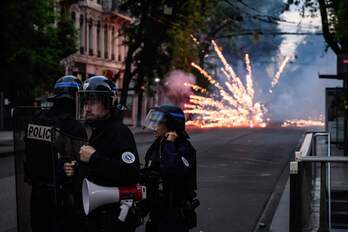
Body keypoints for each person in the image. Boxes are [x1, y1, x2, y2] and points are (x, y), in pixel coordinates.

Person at [64, 75, 140, 232]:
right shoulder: (97, 131)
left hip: (113, 219)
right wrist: (76, 170)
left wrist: (93, 158)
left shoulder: (119, 132)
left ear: (108, 103)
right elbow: (98, 171)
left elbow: (130, 173)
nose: (87, 108)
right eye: (85, 102)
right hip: (96, 218)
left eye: (93, 102)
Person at [24, 75, 86, 232]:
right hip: (61, 197)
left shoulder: (36, 119)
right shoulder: (73, 126)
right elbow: (80, 164)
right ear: (76, 99)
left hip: (37, 194)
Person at [142, 105, 198, 232]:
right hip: (156, 210)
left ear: (172, 126)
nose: (154, 127)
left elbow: (171, 168)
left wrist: (169, 143)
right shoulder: (158, 144)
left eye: (159, 123)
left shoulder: (185, 148)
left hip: (174, 215)